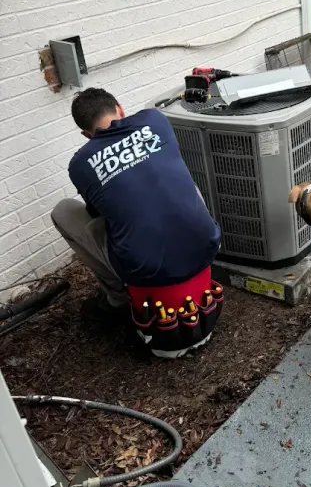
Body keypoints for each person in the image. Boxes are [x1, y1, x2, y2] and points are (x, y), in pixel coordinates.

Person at [52, 88, 221, 323]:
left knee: (62, 211)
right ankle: (197, 236)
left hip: (143, 270)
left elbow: (97, 215)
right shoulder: (154, 120)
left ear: (85, 134)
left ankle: (116, 298)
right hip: (207, 246)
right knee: (173, 181)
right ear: (120, 109)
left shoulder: (80, 163)